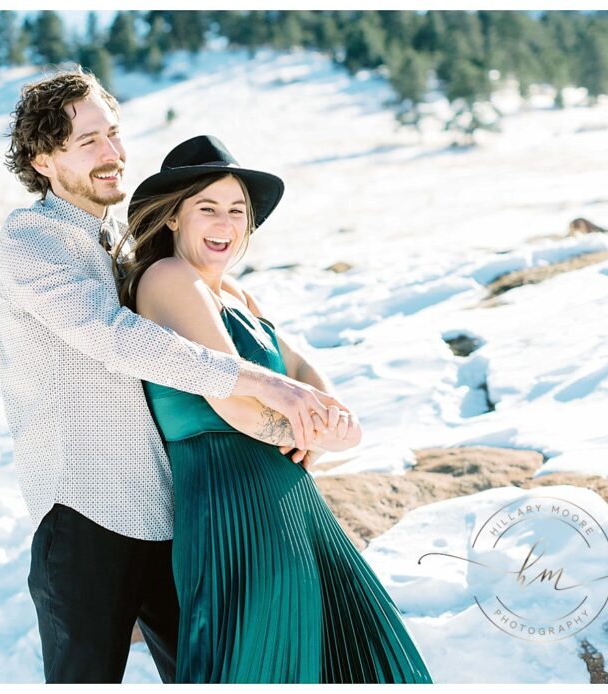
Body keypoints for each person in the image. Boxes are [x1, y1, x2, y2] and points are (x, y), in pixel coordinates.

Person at [0, 69, 344, 684]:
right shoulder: (30, 240)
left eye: (114, 134)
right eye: (88, 142)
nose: (113, 154)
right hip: (84, 513)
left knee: (213, 675)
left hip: (167, 510)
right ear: (43, 160)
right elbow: (112, 335)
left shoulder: (124, 251)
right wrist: (262, 386)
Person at [117, 134, 435, 684]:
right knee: (261, 657)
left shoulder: (239, 295)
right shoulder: (169, 278)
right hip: (231, 499)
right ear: (173, 217)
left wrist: (327, 424)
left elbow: (308, 376)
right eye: (207, 208)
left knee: (345, 652)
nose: (226, 223)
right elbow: (233, 403)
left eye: (237, 210)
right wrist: (320, 430)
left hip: (288, 497)